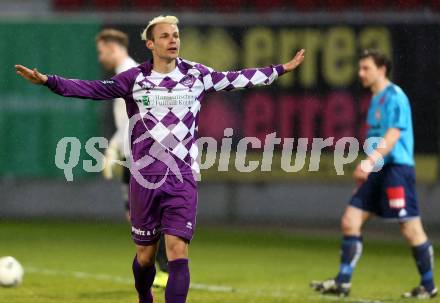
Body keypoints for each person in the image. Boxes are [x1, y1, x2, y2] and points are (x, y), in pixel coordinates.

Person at [15, 15, 305, 303]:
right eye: (165, 36)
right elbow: (95, 89)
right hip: (145, 177)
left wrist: (280, 70)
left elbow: (236, 78)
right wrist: (48, 81)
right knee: (145, 256)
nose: (173, 40)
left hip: (182, 176)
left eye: (176, 35)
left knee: (178, 249)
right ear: (151, 44)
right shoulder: (135, 78)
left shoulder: (196, 74)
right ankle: (144, 295)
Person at [311, 49, 437, 299]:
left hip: (396, 170)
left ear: (382, 69)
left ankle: (429, 285)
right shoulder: (376, 100)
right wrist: (367, 167)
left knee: (410, 229)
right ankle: (342, 282)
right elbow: (376, 139)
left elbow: (393, 135)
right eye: (360, 68)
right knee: (350, 220)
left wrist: (369, 163)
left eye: (366, 68)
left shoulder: (395, 95)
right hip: (377, 168)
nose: (361, 73)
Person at [95, 28, 169, 288]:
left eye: (102, 52)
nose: (100, 57)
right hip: (131, 156)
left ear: (113, 48)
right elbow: (127, 122)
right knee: (136, 216)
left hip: (142, 156)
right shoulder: (124, 75)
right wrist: (114, 149)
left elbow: (139, 121)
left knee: (148, 215)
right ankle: (161, 268)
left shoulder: (131, 76)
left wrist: (115, 148)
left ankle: (165, 270)